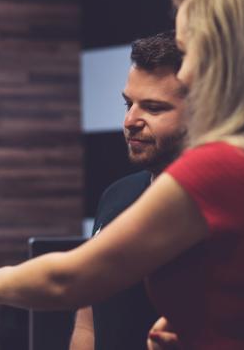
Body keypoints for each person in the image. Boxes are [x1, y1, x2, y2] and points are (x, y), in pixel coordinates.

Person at [0, 0, 244, 350]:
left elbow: (67, 279)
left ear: (227, 58)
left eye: (192, 55)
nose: (185, 73)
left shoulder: (222, 167)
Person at [69, 31, 185, 350]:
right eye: (128, 103)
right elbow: (88, 317)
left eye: (153, 107)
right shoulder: (117, 194)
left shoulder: (228, 208)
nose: (130, 120)